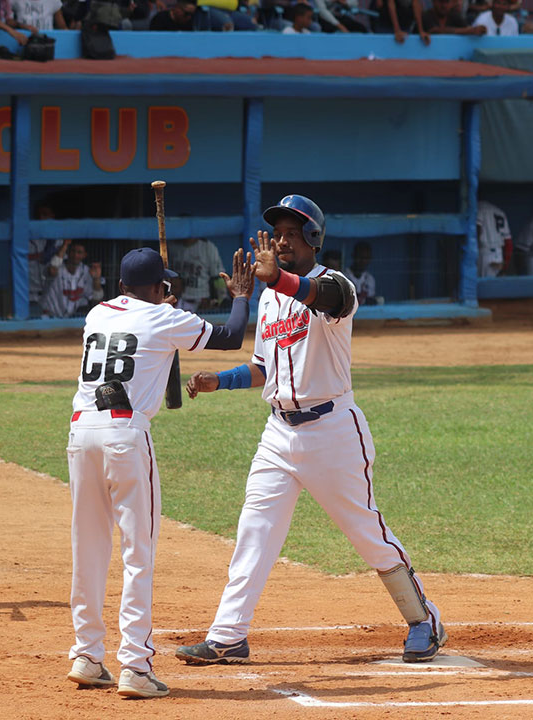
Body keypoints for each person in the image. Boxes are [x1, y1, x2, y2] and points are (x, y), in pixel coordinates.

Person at [174, 195, 446, 667]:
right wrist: (219, 380)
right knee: (253, 532)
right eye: (277, 232)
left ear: (313, 239)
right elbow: (264, 367)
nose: (281, 240)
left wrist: (275, 279)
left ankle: (425, 620)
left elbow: (326, 299)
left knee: (367, 532)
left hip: (333, 432)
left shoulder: (336, 286)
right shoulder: (270, 299)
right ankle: (228, 636)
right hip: (278, 435)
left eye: (291, 233)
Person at [66, 246, 254, 699]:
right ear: (157, 288)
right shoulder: (166, 319)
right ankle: (135, 665)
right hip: (125, 437)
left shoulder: (97, 314)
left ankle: (87, 656)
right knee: (138, 553)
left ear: (120, 286)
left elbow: (140, 331)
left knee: (88, 549)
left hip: (80, 433)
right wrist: (241, 295)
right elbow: (230, 336)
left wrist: (164, 310)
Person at [168, 237, 228, 314]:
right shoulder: (171, 245)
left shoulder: (207, 247)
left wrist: (218, 302)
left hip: (200, 303)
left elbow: (218, 277)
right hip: (177, 301)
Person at [43, 242, 101, 318]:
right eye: (73, 251)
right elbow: (52, 271)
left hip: (71, 318)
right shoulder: (57, 267)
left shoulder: (87, 271)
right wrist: (65, 245)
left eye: (79, 252)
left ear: (84, 255)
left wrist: (96, 279)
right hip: (49, 315)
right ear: (67, 252)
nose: (75, 255)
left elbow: (96, 300)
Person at [476, 200, 513, 278]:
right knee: (495, 286)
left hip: (485, 253)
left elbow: (477, 230)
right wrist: (505, 264)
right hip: (499, 254)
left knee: (483, 286)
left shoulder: (479, 208)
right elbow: (508, 242)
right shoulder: (499, 211)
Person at [344, 241, 379, 306]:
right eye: (360, 257)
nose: (363, 261)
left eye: (366, 258)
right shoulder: (344, 276)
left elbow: (371, 300)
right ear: (353, 256)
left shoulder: (370, 279)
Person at [422, 0, 488, 33]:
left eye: (447, 2)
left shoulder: (454, 15)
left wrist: (478, 30)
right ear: (434, 2)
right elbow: (435, 31)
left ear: (452, 3)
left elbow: (467, 28)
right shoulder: (426, 15)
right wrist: (469, 31)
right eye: (441, 2)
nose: (444, 6)